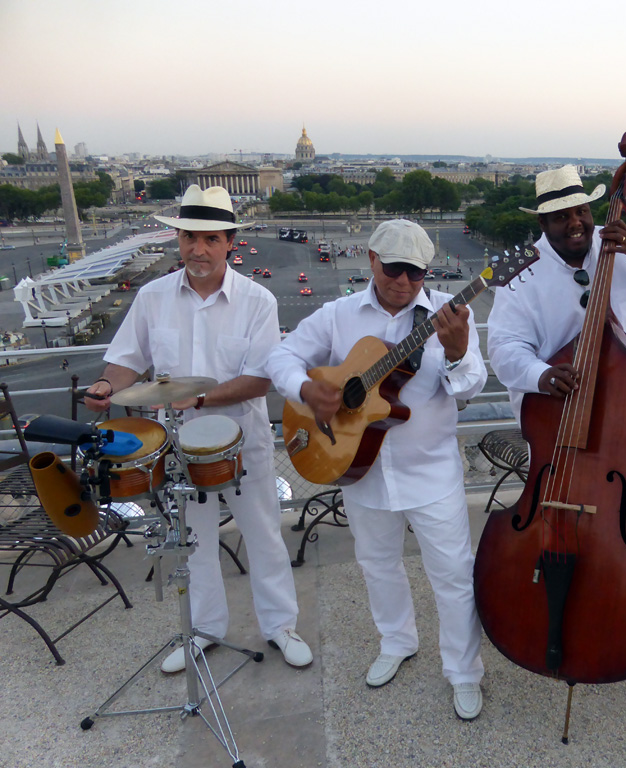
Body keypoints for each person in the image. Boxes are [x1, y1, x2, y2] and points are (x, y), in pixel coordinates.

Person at [265, 219, 487, 720]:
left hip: (431, 473)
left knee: (453, 575)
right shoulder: (338, 315)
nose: (404, 282)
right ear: (370, 259)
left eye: (415, 272)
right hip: (360, 468)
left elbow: (471, 386)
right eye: (393, 269)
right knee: (377, 565)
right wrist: (306, 390)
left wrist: (454, 353)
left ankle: (464, 671)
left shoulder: (447, 315)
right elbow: (282, 355)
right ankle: (397, 641)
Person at [85, 185, 312, 673]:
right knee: (194, 541)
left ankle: (280, 627)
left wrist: (202, 398)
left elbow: (259, 379)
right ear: (179, 241)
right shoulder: (152, 297)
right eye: (189, 238)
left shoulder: (258, 301)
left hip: (240, 442)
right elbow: (127, 359)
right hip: (177, 445)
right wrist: (107, 383)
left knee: (264, 535)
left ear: (230, 242)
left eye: (210, 239)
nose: (198, 249)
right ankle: (206, 631)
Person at [487, 165, 626, 422]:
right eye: (561, 217)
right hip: (561, 416)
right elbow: (505, 348)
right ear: (542, 223)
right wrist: (541, 374)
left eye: (581, 211)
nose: (575, 223)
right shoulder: (521, 274)